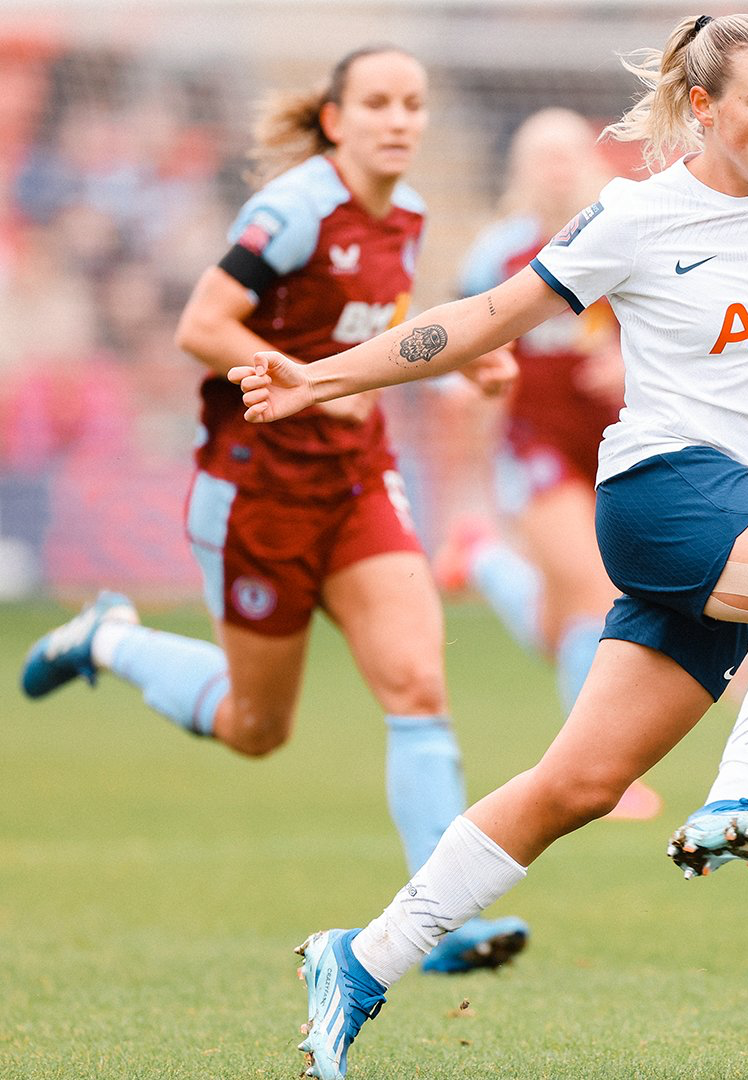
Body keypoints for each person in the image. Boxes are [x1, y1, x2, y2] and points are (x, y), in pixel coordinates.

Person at [228, 15, 748, 1078]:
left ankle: (359, 963)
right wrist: (322, 374)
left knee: (575, 786)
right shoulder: (640, 217)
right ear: (703, 108)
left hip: (741, 508)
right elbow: (488, 316)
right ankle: (739, 800)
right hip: (662, 491)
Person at [19, 45, 527, 976]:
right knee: (258, 728)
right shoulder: (294, 206)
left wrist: (467, 355)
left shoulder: (407, 213)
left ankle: (440, 921)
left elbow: (373, 335)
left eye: (413, 103)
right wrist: (300, 382)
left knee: (416, 682)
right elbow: (200, 327)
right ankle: (108, 640)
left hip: (357, 479)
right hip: (260, 490)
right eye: (377, 102)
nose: (400, 119)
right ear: (335, 119)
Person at [440, 107, 661, 820]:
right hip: (535, 451)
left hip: (620, 447)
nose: (557, 164)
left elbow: (674, 340)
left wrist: (628, 363)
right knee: (600, 598)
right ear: (521, 170)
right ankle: (600, 775)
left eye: (568, 150)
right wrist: (467, 484)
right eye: (541, 154)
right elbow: (463, 369)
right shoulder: (496, 256)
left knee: (561, 626)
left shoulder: (627, 233)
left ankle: (485, 564)